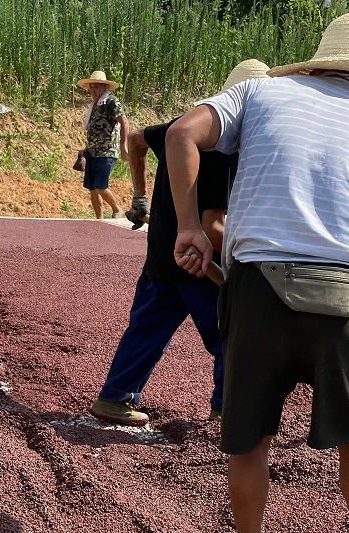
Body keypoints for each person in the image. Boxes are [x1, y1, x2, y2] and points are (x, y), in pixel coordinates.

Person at [165, 12, 349, 533]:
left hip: (259, 290)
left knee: (250, 436)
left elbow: (181, 132)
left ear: (316, 61)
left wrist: (189, 229)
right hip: (348, 297)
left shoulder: (260, 93)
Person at [90, 60, 269, 428]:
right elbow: (212, 226)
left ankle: (114, 397)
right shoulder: (224, 148)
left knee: (146, 329)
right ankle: (227, 410)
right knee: (228, 337)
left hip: (161, 253)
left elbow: (136, 140)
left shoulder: (182, 126)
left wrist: (140, 195)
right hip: (199, 264)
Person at [76, 70, 129, 219]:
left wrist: (124, 146)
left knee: (100, 186)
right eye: (90, 87)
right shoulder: (95, 105)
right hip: (92, 152)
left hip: (107, 152)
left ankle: (117, 209)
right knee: (92, 189)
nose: (92, 90)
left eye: (96, 87)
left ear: (103, 87)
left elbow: (124, 121)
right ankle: (99, 219)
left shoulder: (111, 102)